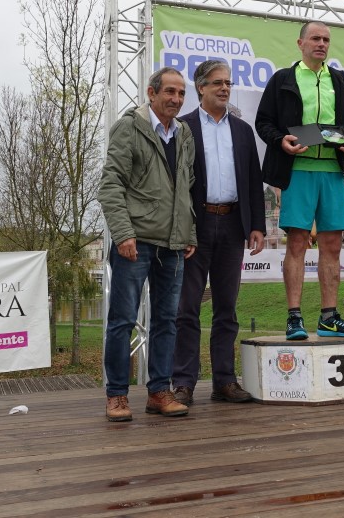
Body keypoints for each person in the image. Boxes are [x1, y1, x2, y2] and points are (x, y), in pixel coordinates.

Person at [97, 67, 196, 422]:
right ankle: (117, 396)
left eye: (181, 93)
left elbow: (185, 185)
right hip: (135, 242)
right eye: (169, 91)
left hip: (173, 243)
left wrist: (189, 232)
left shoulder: (183, 133)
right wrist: (123, 233)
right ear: (151, 93)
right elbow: (111, 184)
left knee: (167, 321)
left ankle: (158, 392)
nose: (176, 99)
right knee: (122, 321)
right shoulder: (129, 127)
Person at [255, 21, 344, 340]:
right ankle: (294, 317)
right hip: (297, 170)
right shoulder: (283, 79)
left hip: (331, 170)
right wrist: (281, 140)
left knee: (332, 244)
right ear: (300, 43)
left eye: (326, 39)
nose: (321, 44)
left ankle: (329, 317)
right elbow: (263, 122)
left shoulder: (338, 79)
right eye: (315, 38)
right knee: (298, 242)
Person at [172, 60, 266, 406]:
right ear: (201, 88)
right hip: (194, 226)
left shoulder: (242, 130)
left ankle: (224, 381)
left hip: (232, 223)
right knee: (187, 308)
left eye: (228, 83)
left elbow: (253, 180)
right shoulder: (182, 127)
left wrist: (257, 225)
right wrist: (180, 228)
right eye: (217, 83)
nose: (225, 88)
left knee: (227, 307)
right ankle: (183, 383)